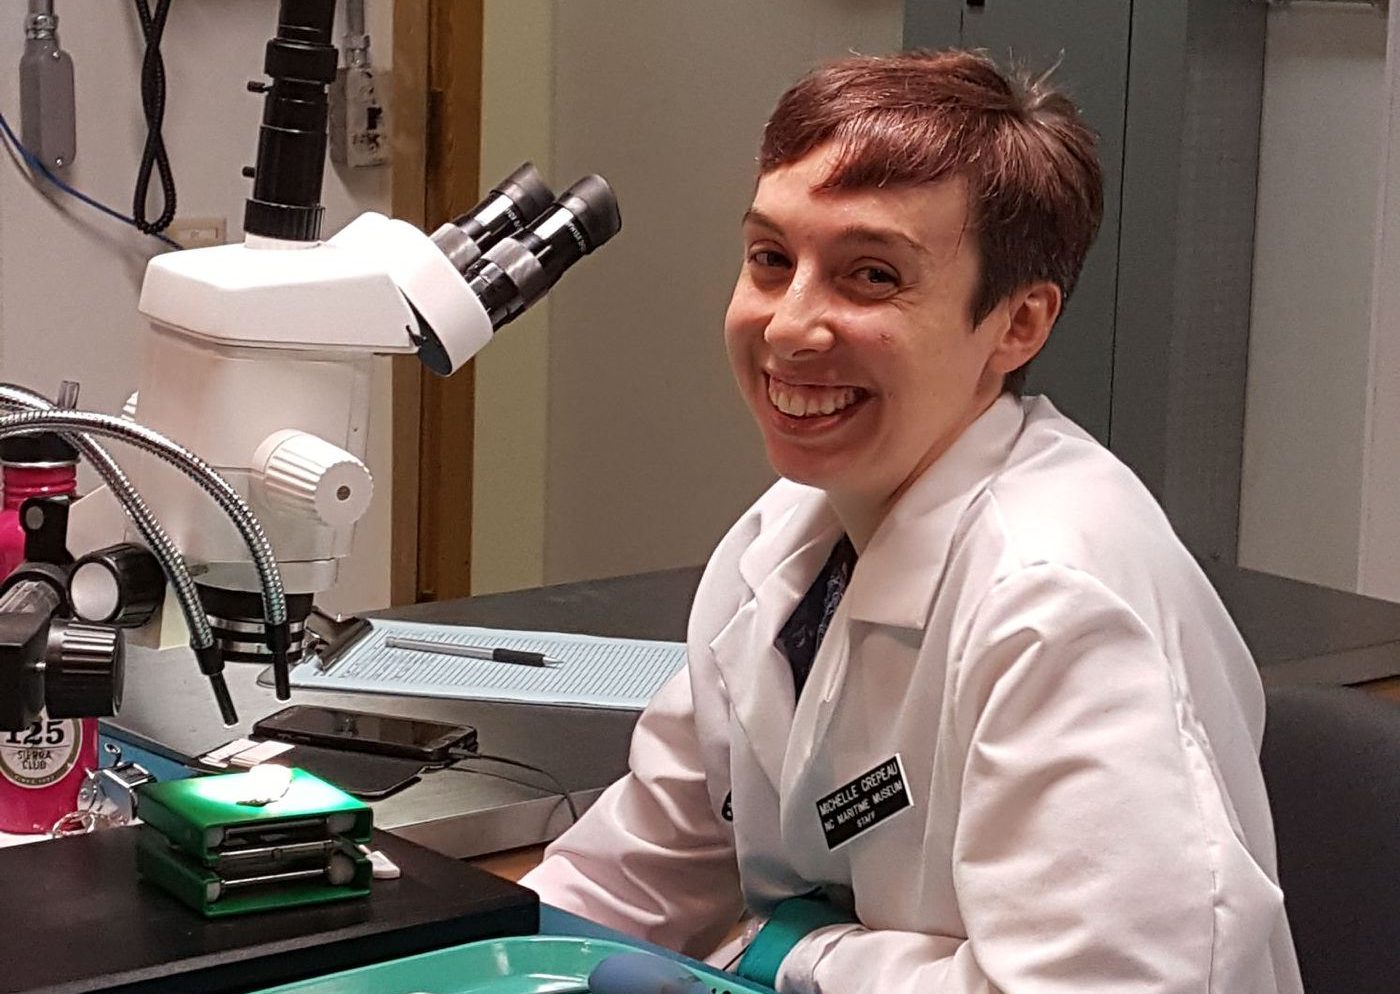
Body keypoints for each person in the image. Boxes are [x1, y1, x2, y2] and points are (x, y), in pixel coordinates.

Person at [522, 50, 1304, 994]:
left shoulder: (1055, 603)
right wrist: (474, 958)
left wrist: (797, 952)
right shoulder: (787, 540)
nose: (788, 326)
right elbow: (633, 873)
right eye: (772, 259)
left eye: (871, 276)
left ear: (1017, 324)